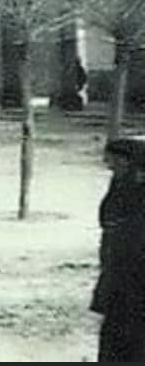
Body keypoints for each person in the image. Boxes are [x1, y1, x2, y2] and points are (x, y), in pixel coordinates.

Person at [90, 136, 145, 362]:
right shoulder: (121, 187)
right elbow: (106, 218)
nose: (111, 168)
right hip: (118, 279)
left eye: (115, 162)